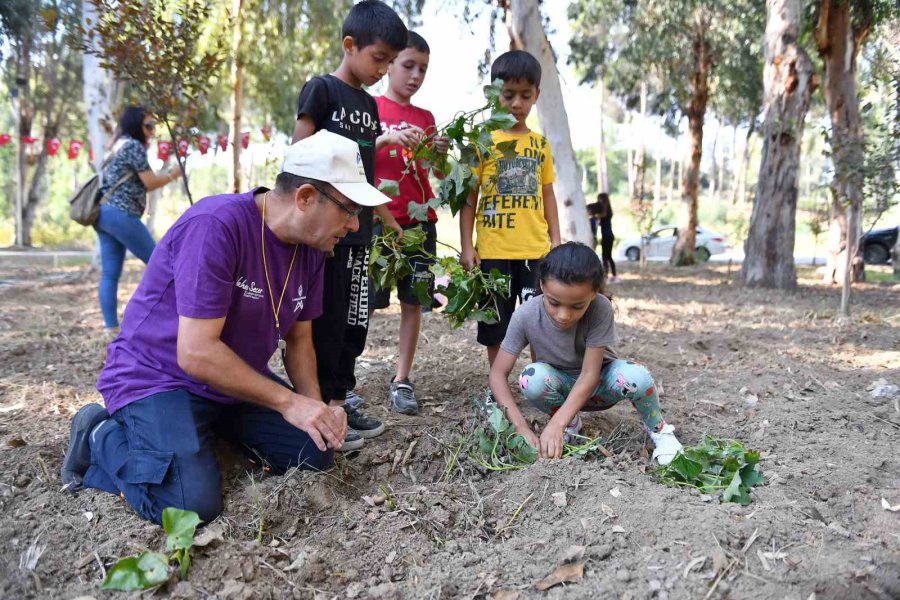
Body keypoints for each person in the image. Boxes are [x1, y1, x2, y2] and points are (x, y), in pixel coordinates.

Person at [59, 131, 392, 524]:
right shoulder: (216, 225)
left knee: (314, 454)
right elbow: (196, 353)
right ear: (304, 198)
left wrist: (315, 410)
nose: (355, 225)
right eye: (348, 209)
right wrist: (288, 403)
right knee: (189, 505)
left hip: (230, 384)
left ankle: (195, 442)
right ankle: (99, 435)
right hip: (158, 377)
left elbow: (300, 340)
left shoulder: (314, 248)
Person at [292, 0, 411, 451]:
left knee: (354, 320)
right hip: (323, 235)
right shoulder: (322, 91)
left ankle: (342, 400)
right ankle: (318, 402)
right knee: (323, 320)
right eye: (378, 58)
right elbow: (299, 157)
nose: (382, 70)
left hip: (358, 232)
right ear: (349, 45)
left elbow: (364, 172)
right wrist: (311, 228)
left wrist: (385, 218)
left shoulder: (368, 104)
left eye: (388, 62)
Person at [488, 242, 683, 464]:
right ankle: (571, 425)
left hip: (601, 384)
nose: (563, 315)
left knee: (637, 376)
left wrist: (556, 423)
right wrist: (520, 426)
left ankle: (661, 432)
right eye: (554, 303)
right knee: (531, 377)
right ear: (542, 284)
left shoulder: (600, 308)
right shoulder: (526, 315)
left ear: (593, 294)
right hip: (559, 388)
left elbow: (590, 374)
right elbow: (497, 374)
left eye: (577, 306)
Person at [460, 50, 561, 369]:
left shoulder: (540, 145)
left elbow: (548, 195)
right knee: (495, 324)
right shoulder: (482, 141)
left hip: (534, 252)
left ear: (536, 96)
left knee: (539, 323)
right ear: (493, 94)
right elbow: (468, 197)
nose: (517, 103)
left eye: (525, 95)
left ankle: (542, 385)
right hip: (494, 251)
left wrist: (556, 242)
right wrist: (467, 246)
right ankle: (498, 382)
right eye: (508, 95)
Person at [372, 31, 449, 415]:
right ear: (388, 65)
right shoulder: (370, 108)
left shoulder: (426, 118)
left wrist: (440, 153)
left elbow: (434, 172)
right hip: (377, 222)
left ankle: (402, 379)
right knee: (363, 303)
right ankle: (343, 378)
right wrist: (389, 138)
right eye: (408, 66)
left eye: (423, 69)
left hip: (420, 224)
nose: (415, 75)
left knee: (413, 303)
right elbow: (357, 158)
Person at [94, 106, 183, 333]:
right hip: (121, 214)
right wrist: (174, 173)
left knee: (110, 273)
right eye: (148, 126)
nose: (152, 131)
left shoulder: (116, 145)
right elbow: (150, 182)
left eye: (154, 126)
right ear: (136, 125)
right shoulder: (133, 146)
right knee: (162, 264)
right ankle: (174, 320)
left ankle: (110, 328)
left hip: (103, 213)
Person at [596, 192, 618, 282]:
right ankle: (613, 275)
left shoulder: (604, 212)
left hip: (607, 236)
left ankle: (607, 276)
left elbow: (600, 219)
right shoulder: (608, 211)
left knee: (606, 257)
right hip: (609, 235)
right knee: (608, 256)